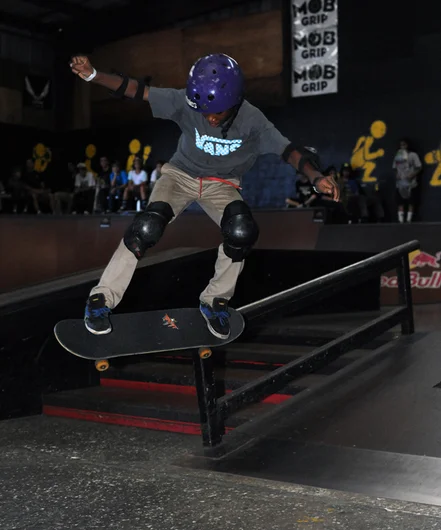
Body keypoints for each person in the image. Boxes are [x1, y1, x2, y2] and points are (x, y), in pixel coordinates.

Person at [70, 53, 339, 338]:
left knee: (241, 231)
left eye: (218, 113)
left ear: (234, 102)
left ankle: (215, 300)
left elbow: (290, 151)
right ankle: (102, 298)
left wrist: (316, 177)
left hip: (222, 185)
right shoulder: (186, 103)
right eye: (204, 111)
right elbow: (138, 90)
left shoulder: (253, 121)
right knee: (146, 227)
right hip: (179, 176)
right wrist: (92, 75)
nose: (209, 118)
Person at [393, 138, 422, 223]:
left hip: (411, 183)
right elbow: (395, 168)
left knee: (411, 202)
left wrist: (412, 174)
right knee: (400, 202)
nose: (402, 147)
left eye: (404, 145)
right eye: (401, 145)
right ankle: (401, 220)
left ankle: (409, 220)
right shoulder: (398, 155)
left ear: (407, 145)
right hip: (400, 184)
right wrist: (397, 174)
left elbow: (419, 167)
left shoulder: (413, 155)